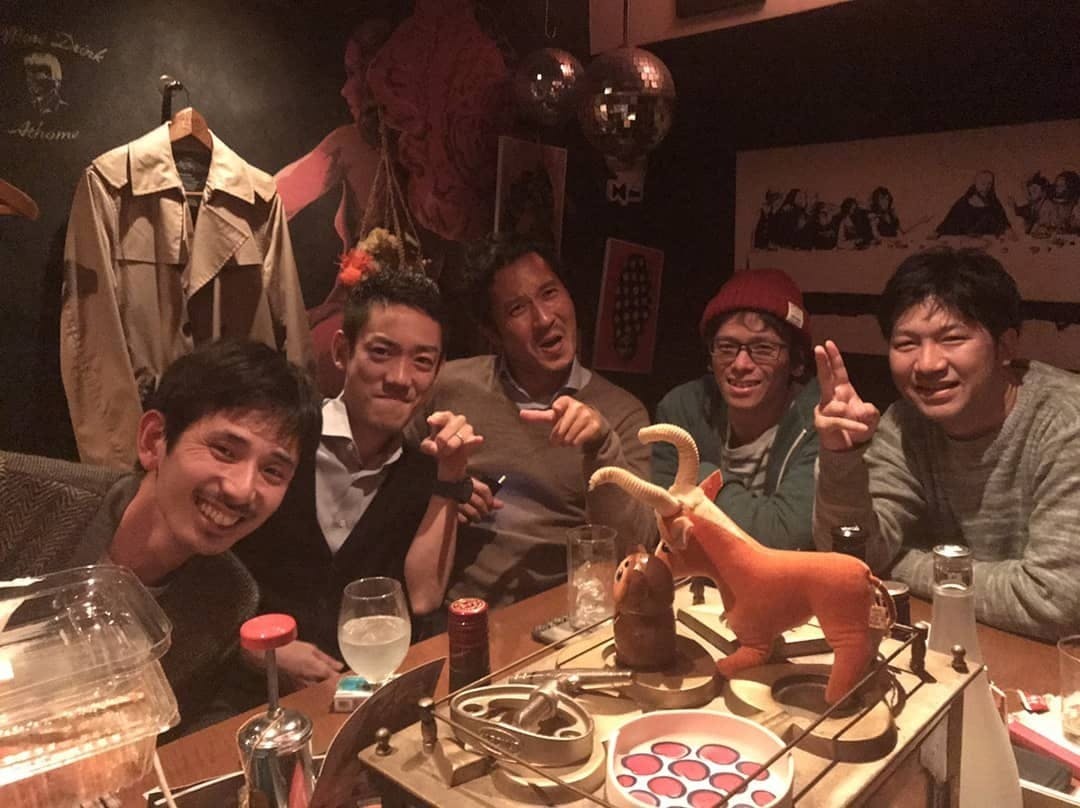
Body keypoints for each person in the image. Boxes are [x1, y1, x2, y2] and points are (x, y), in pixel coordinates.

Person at [0, 340, 320, 732]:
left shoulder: (228, 597)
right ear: (153, 440)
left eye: (273, 471)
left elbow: (176, 724)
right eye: (224, 450)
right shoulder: (15, 494)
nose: (241, 490)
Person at [813, 247, 1080, 640]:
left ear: (1006, 346)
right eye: (907, 343)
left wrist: (899, 565)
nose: (928, 364)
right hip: (968, 643)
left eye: (952, 339)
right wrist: (842, 458)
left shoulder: (1066, 423)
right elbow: (851, 557)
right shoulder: (904, 424)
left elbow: (1055, 601)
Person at [233, 269, 480, 689]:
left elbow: (423, 598)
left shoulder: (425, 471)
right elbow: (200, 563)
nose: (400, 378)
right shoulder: (280, 441)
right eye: (381, 352)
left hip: (364, 688)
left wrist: (450, 478)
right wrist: (252, 647)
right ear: (342, 351)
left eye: (422, 361)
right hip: (249, 692)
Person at [408, 234, 653, 609]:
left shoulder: (623, 412)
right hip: (460, 612)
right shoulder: (451, 385)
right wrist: (444, 489)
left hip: (568, 618)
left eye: (550, 293)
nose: (543, 318)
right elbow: (391, 476)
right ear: (492, 333)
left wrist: (601, 446)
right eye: (517, 309)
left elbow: (635, 549)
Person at [653, 269, 819, 550]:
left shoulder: (821, 421)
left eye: (763, 348)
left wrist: (701, 477)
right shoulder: (681, 410)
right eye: (727, 347)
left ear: (796, 362)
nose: (741, 364)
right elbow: (662, 525)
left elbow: (784, 538)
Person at [935, 170, 1012, 237]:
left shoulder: (994, 202)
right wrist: (937, 233)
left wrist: (1009, 232)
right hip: (965, 239)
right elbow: (949, 221)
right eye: (983, 183)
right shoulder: (964, 202)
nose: (986, 187)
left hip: (988, 240)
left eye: (989, 184)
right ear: (975, 183)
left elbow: (1003, 221)